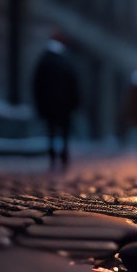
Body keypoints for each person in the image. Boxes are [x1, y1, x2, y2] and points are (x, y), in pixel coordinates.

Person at [32, 31, 80, 169]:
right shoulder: (66, 60)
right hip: (65, 103)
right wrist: (75, 102)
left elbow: (37, 83)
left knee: (51, 130)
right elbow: (74, 83)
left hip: (50, 102)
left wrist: (39, 101)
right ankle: (63, 154)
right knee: (64, 130)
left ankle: (53, 154)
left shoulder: (45, 59)